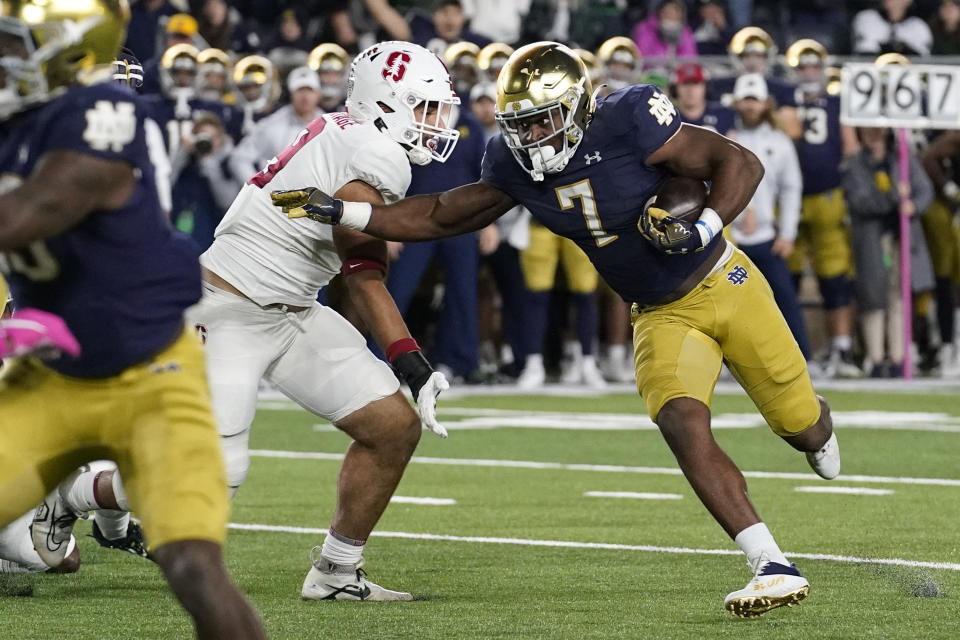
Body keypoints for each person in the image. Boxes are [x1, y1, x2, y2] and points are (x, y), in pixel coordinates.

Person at [273, 41, 841, 618]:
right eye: (521, 124)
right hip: (658, 311)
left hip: (727, 281)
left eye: (544, 119)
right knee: (681, 421)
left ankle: (815, 422)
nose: (534, 136)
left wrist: (705, 224)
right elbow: (445, 212)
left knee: (802, 427)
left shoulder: (629, 119)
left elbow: (740, 162)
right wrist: (346, 212)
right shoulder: (511, 163)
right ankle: (770, 563)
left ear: (577, 107)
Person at [0, 2, 266, 638]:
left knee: (193, 565)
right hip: (54, 376)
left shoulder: (103, 114)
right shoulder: (26, 117)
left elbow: (23, 215)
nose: (3, 61)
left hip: (151, 373)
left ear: (68, 52)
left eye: (16, 47)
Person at [191, 40, 458, 602]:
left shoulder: (346, 131)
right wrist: (412, 363)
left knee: (391, 427)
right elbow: (362, 272)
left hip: (292, 308)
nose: (435, 122)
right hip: (229, 307)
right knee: (217, 474)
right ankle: (74, 496)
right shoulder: (375, 153)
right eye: (424, 106)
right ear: (385, 101)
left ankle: (336, 571)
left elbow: (349, 266)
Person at [784, 38, 861, 377]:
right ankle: (786, 347)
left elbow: (850, 148)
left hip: (827, 195)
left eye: (814, 65)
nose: (809, 72)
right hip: (789, 199)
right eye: (803, 66)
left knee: (834, 275)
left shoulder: (836, 103)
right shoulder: (784, 99)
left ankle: (842, 349)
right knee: (787, 276)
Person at [729, 74, 812, 363]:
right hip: (730, 238)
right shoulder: (725, 139)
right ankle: (734, 363)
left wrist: (787, 234)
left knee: (785, 301)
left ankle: (802, 359)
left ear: (766, 103)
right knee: (728, 307)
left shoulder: (780, 143)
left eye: (755, 100)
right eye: (746, 100)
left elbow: (791, 189)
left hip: (766, 236)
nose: (751, 106)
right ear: (737, 102)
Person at [843, 127, 935, 377]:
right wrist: (895, 196)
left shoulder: (903, 159)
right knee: (873, 297)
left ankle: (898, 357)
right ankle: (876, 357)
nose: (873, 136)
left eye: (878, 131)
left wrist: (913, 206)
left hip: (901, 238)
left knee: (899, 296)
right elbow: (862, 201)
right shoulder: (855, 165)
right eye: (868, 131)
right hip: (873, 238)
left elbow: (924, 190)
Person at [229, 66, 324, 184]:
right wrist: (257, 190)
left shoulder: (330, 125)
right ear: (291, 93)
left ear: (318, 93)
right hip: (279, 198)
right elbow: (239, 158)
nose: (305, 96)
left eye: (309, 90)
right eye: (300, 90)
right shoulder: (272, 124)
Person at [921, 130, 960, 377]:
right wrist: (949, 189)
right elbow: (930, 157)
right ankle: (947, 346)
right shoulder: (954, 137)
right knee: (946, 281)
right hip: (949, 213)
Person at [672, 62, 734, 135]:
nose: (690, 89)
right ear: (675, 89)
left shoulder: (724, 114)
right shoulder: (670, 117)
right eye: (685, 83)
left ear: (706, 87)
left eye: (695, 83)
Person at [853, 0, 933, 56]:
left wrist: (901, 48)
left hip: (909, 76)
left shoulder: (919, 26)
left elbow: (922, 60)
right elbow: (865, 54)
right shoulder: (867, 18)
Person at [631, 0, 698, 60]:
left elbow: (690, 57)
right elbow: (643, 56)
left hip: (678, 71)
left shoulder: (685, 32)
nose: (670, 15)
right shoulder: (645, 29)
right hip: (652, 70)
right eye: (666, 12)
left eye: (675, 12)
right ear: (659, 12)